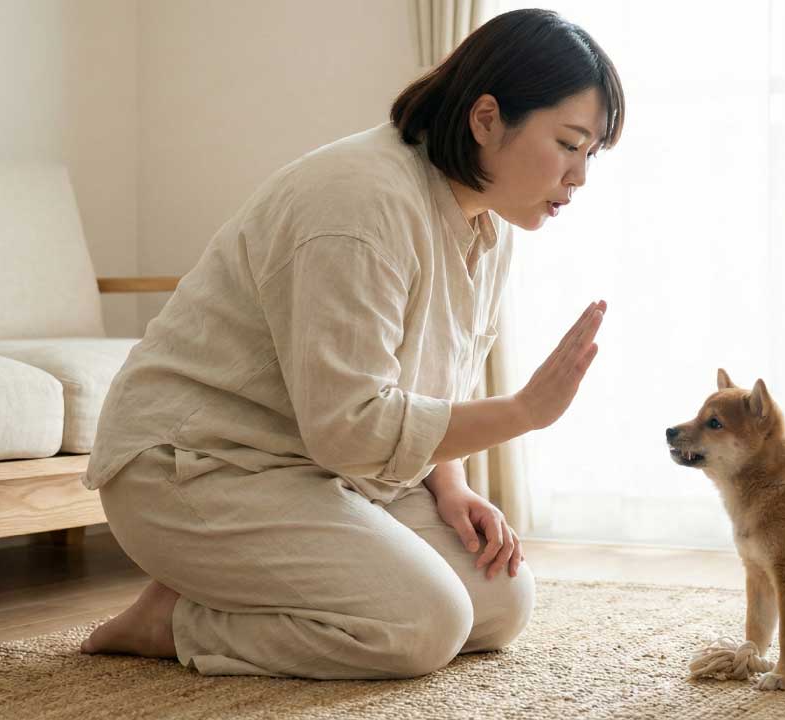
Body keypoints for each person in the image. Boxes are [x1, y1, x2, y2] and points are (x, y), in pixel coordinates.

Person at [78, 8, 625, 680]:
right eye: (569, 144)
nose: (580, 177)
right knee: (421, 628)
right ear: (486, 119)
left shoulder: (488, 224)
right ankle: (176, 620)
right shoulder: (360, 202)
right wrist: (521, 413)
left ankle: (221, 588)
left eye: (591, 153)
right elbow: (348, 426)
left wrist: (448, 487)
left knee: (501, 602)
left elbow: (427, 381)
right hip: (194, 467)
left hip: (319, 467)